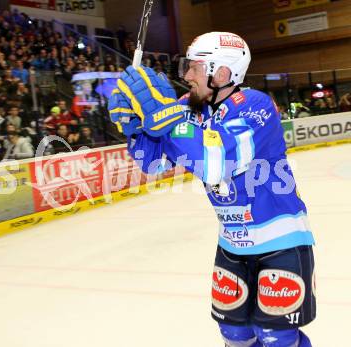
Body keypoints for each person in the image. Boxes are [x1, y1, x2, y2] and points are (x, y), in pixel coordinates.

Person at [109, 32, 315, 347]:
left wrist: (165, 117)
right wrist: (136, 128)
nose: (186, 75)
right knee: (235, 334)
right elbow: (153, 163)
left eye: (193, 67)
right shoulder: (190, 108)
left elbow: (217, 163)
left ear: (221, 72)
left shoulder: (256, 105)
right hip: (232, 244)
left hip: (281, 240)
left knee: (276, 338)